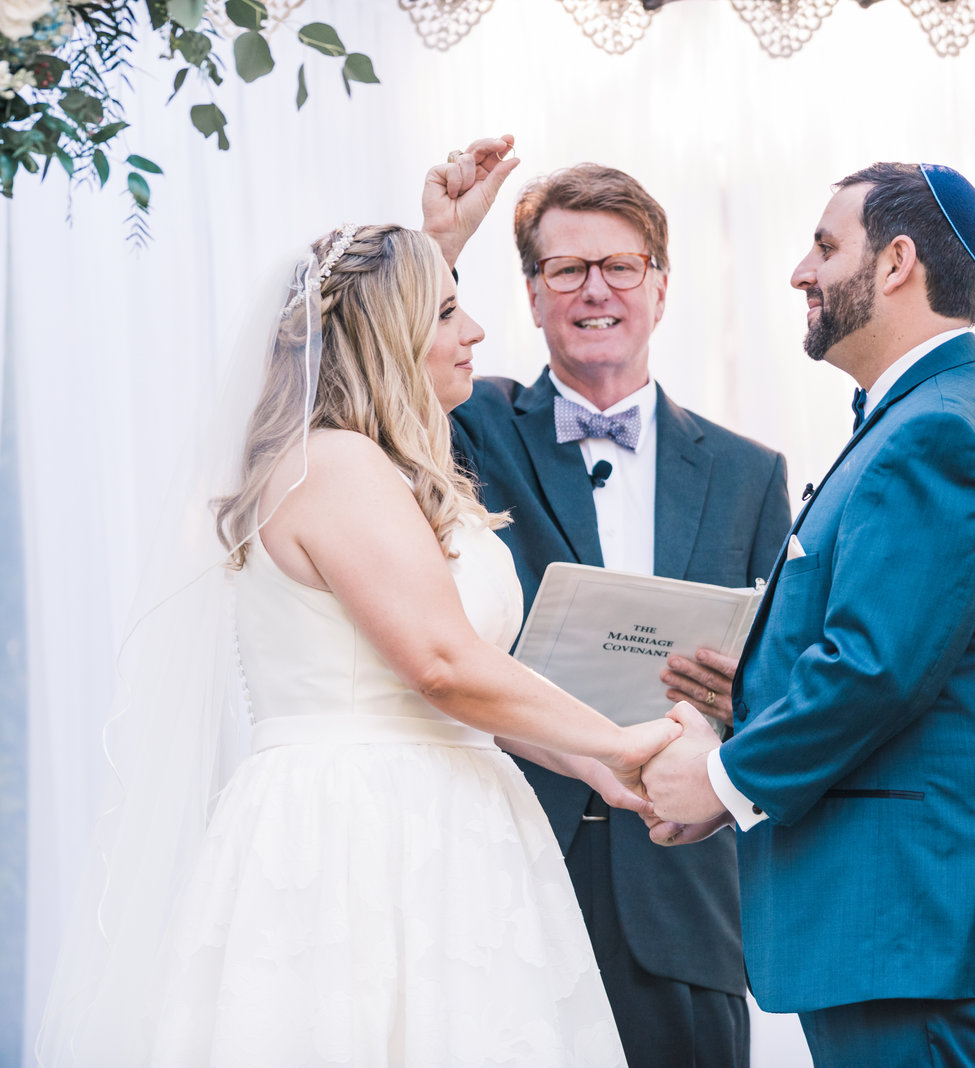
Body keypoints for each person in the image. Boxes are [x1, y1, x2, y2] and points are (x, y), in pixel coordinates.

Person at [39, 217, 693, 1066]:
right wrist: (622, 735)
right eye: (448, 313)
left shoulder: (381, 470)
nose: (476, 334)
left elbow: (460, 688)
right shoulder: (333, 465)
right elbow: (440, 666)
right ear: (390, 333)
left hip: (446, 816)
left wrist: (591, 766)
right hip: (357, 834)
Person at [640, 163, 975, 1067]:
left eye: (828, 247)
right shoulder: (940, 412)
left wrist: (720, 781)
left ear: (899, 260)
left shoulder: (936, 431)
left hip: (915, 925)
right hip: (911, 931)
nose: (802, 271)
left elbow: (874, 667)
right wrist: (749, 689)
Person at [425, 144, 791, 1068]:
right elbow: (374, 369)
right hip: (504, 857)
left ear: (661, 289)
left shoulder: (751, 475)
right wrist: (438, 248)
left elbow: (782, 678)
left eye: (621, 267)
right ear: (533, 294)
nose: (597, 291)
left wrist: (731, 696)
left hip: (684, 883)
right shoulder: (464, 425)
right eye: (568, 269)